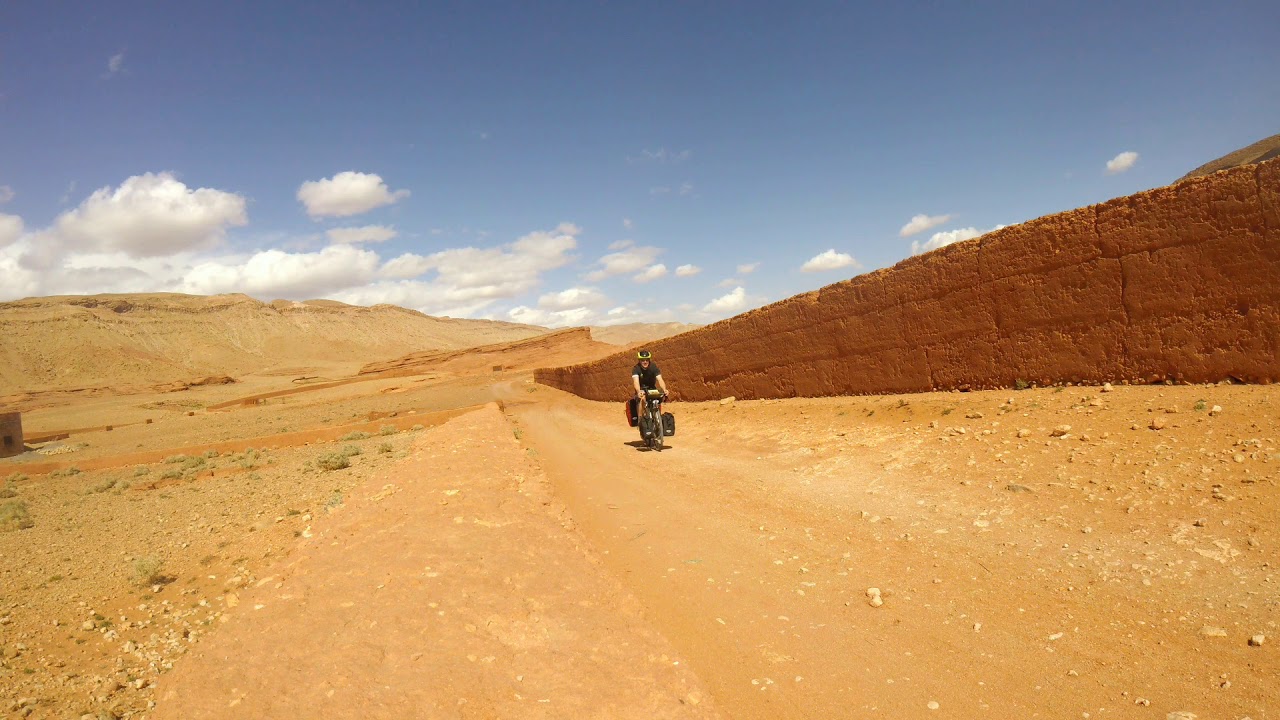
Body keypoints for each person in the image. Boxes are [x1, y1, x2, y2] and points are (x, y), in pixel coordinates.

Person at [631, 349, 669, 437]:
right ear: (639, 361)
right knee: (642, 399)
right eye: (642, 360)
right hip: (641, 390)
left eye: (647, 360)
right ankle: (641, 420)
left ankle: (656, 418)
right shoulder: (636, 369)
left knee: (659, 397)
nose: (645, 362)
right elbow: (636, 382)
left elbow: (660, 379)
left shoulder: (653, 367)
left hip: (652, 389)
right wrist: (638, 391)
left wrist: (664, 389)